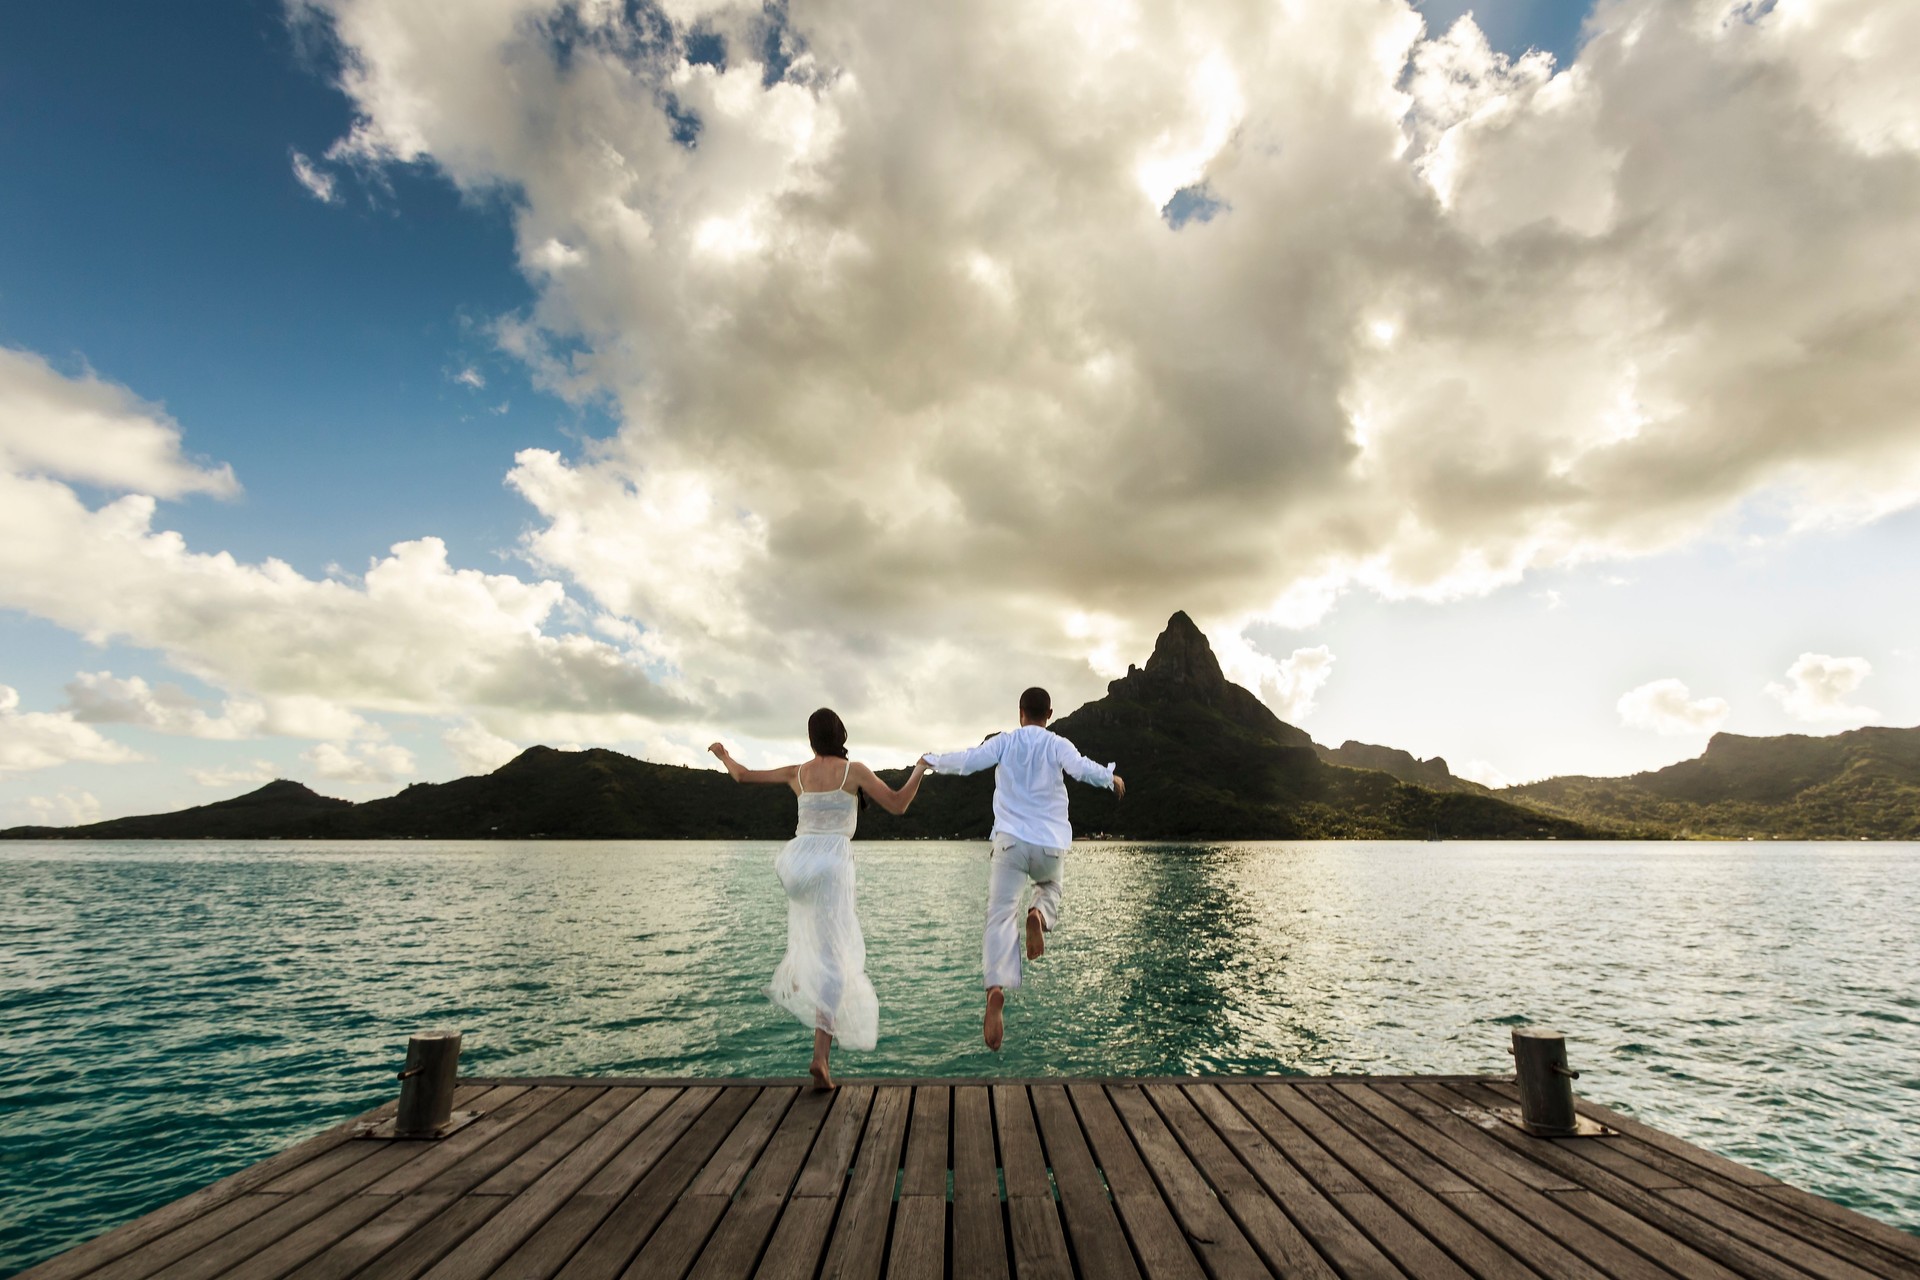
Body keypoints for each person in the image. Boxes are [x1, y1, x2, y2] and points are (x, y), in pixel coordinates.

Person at [710, 710, 925, 1090]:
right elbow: (898, 804)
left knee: (809, 937)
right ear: (840, 734)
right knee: (836, 958)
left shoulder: (798, 772)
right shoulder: (853, 770)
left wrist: (723, 755)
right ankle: (821, 1059)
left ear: (811, 739)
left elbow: (743, 776)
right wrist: (920, 769)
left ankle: (798, 976)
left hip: (796, 865)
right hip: (831, 865)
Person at [921, 687, 1124, 1051]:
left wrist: (931, 760)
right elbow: (1080, 769)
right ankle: (1039, 914)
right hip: (1049, 844)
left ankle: (995, 988)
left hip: (1010, 843)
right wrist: (1110, 778)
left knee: (999, 916)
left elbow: (969, 760)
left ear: (1020, 713)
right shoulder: (1058, 744)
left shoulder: (1004, 742)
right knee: (1050, 887)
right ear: (1048, 713)